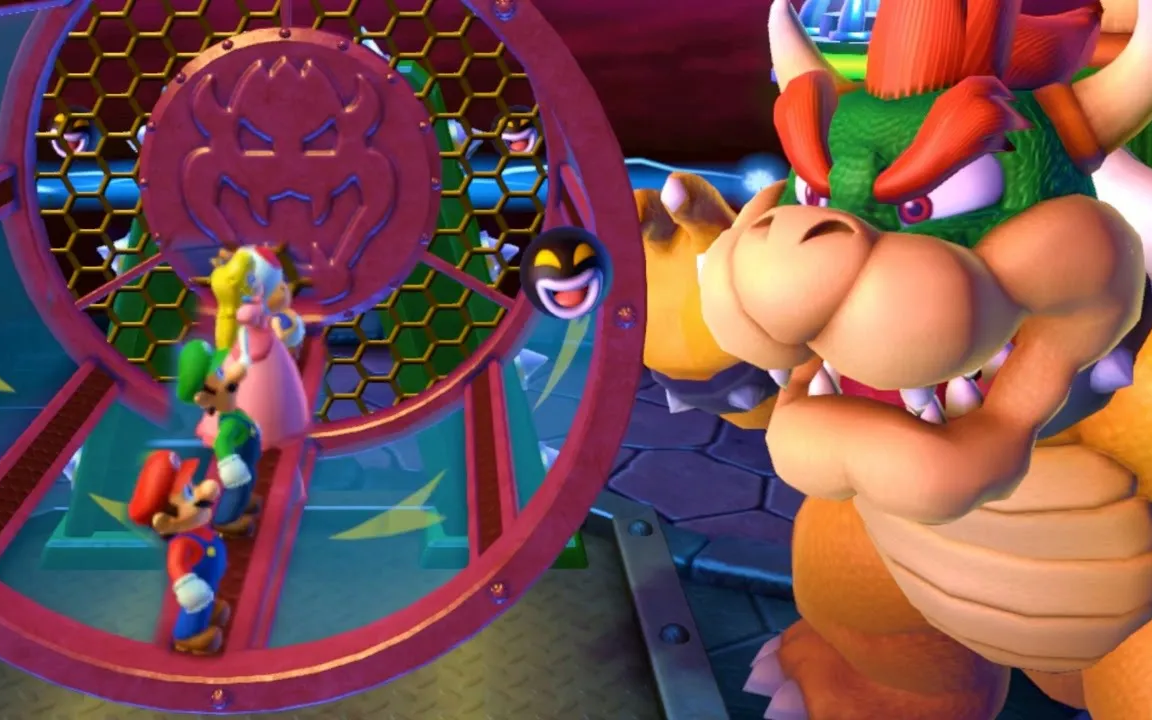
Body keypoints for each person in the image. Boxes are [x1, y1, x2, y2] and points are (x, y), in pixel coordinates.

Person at [199, 245, 310, 450]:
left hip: (260, 349)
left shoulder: (257, 311)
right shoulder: (250, 309)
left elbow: (250, 321)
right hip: (252, 350)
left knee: (256, 387)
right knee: (241, 383)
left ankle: (263, 428)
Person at [127, 450, 230, 655]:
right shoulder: (182, 542)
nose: (201, 493)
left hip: (208, 581)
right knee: (195, 605)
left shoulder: (198, 529)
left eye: (192, 487)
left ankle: (207, 611)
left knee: (207, 596)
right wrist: (188, 586)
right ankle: (187, 636)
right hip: (198, 585)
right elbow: (177, 566)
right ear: (165, 522)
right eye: (189, 494)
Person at [177, 339, 261, 537]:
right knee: (238, 487)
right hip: (239, 463)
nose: (229, 374)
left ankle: (244, 500)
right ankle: (225, 520)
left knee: (249, 480)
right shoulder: (229, 424)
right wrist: (231, 467)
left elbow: (237, 373)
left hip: (248, 460)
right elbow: (221, 443)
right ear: (205, 398)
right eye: (221, 373)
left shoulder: (233, 412)